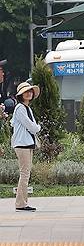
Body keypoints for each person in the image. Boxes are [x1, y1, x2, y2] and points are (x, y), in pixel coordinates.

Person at [11, 82, 41, 212]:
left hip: (27, 143)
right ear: (20, 95)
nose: (29, 93)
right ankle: (21, 203)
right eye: (26, 91)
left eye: (30, 91)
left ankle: (21, 202)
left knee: (25, 173)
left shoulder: (27, 108)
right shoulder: (20, 108)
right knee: (24, 174)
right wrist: (38, 128)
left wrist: (35, 128)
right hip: (22, 144)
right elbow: (32, 126)